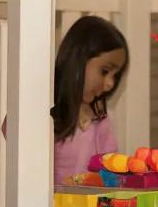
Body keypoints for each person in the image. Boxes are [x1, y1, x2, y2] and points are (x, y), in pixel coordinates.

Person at [51, 15, 128, 183]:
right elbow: (14, 131)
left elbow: (112, 170)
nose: (110, 84)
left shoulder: (100, 117)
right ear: (78, 59)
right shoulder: (48, 112)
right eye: (105, 71)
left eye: (115, 76)